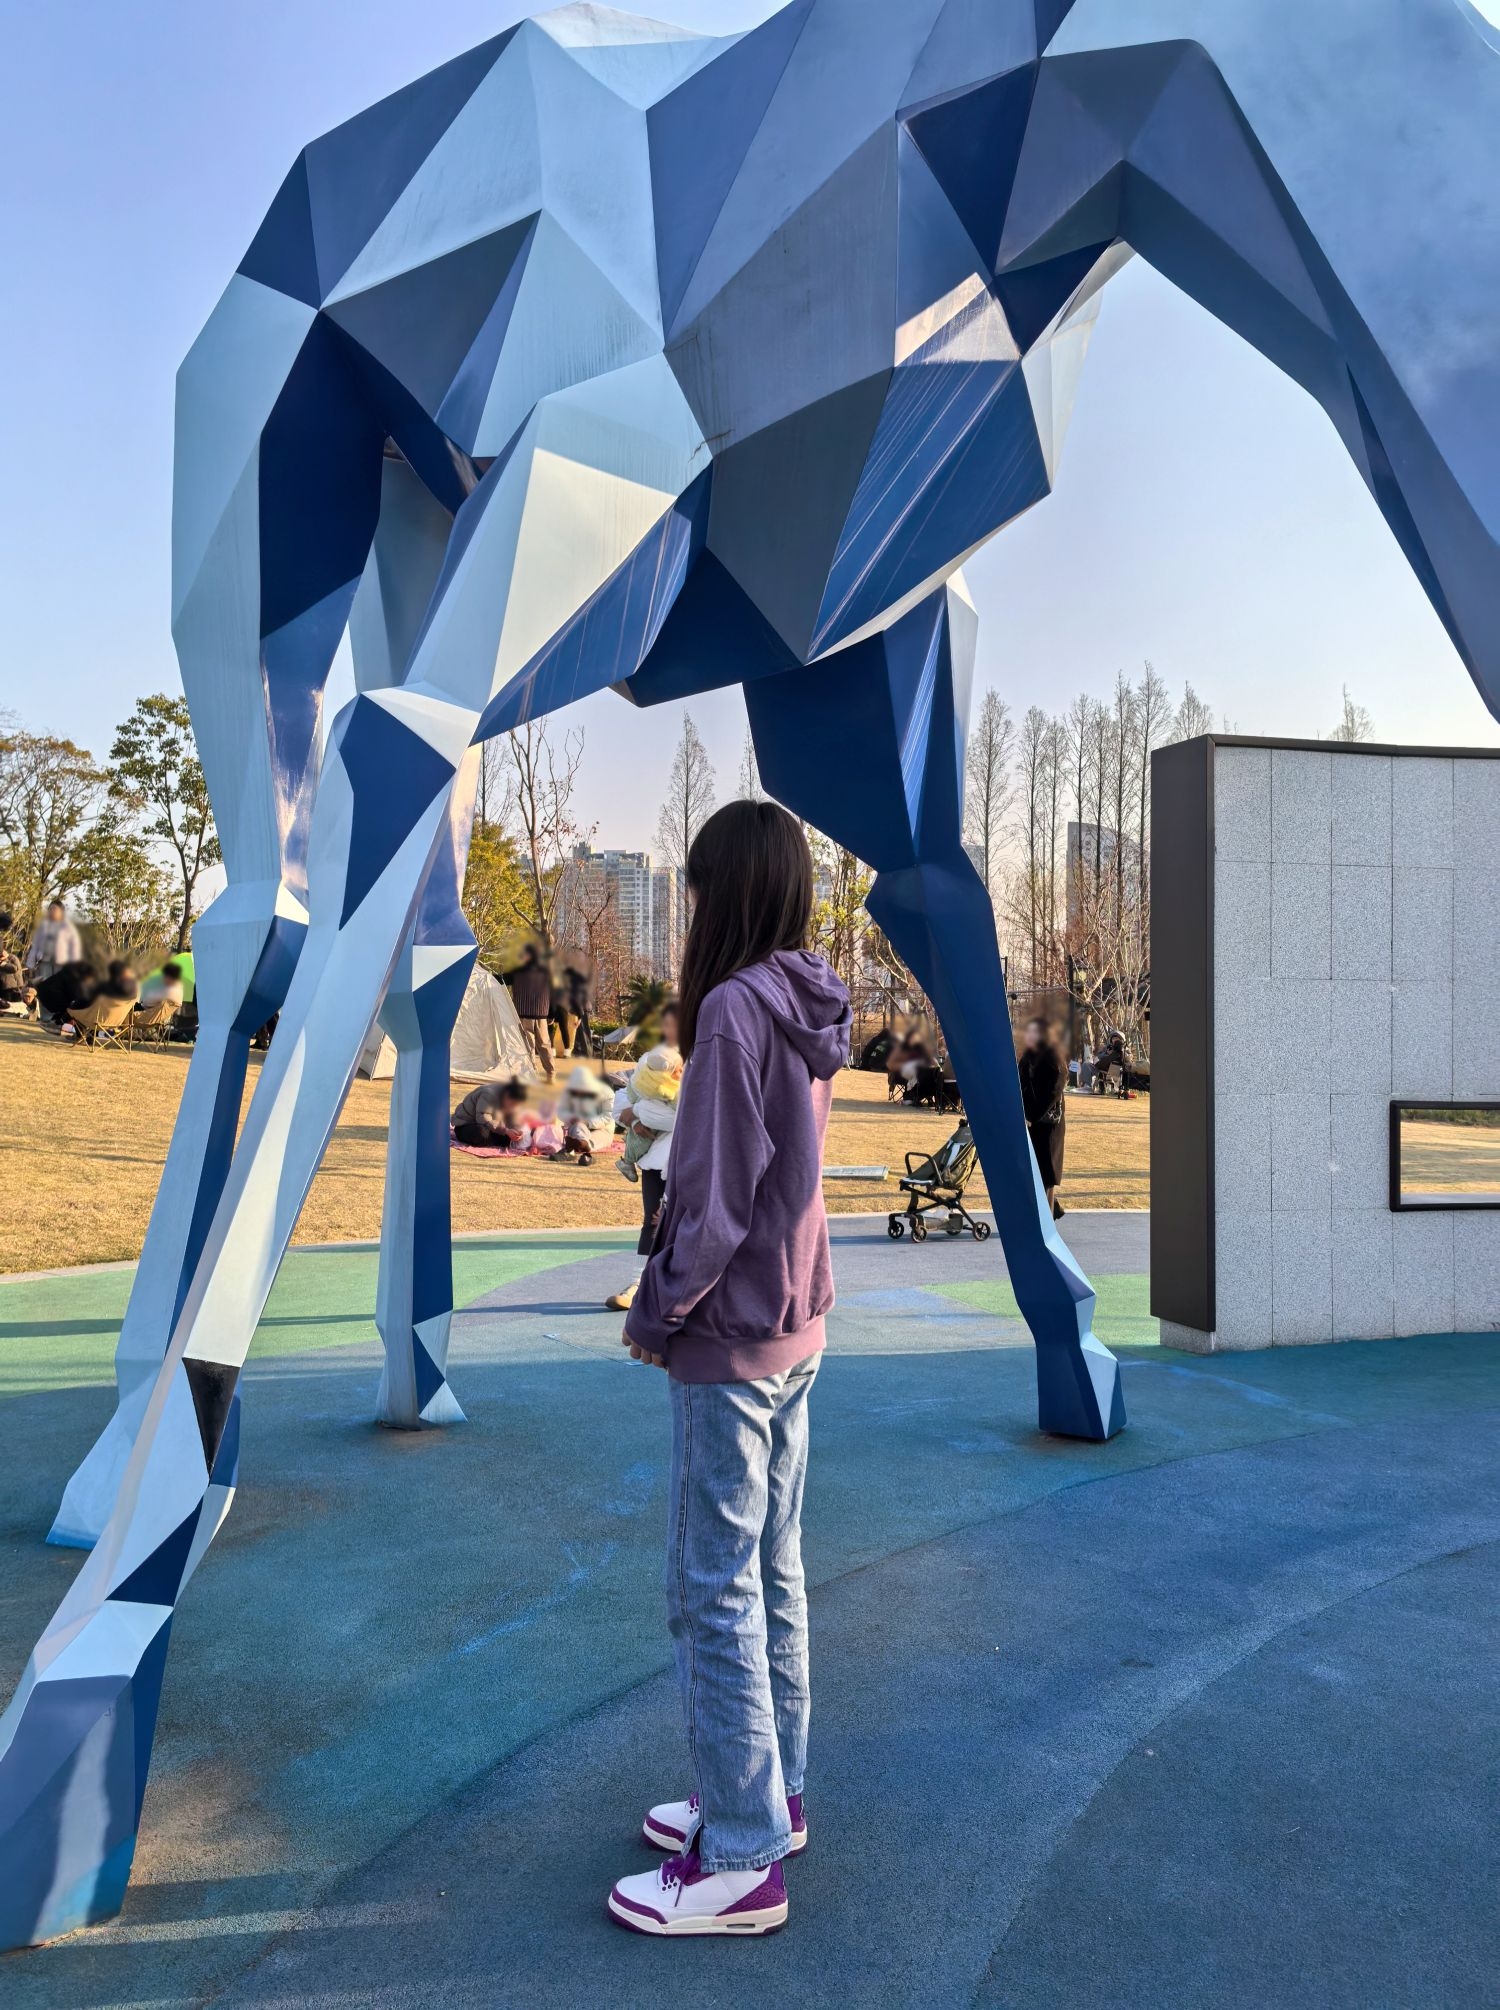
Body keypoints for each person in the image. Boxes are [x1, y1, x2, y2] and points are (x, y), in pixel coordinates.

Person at [607, 800, 850, 1940]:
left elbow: (710, 1203)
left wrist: (657, 1312)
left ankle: (743, 1856)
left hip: (735, 1332)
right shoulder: (806, 1001)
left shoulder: (734, 1011)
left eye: (698, 889)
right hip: (797, 1322)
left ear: (727, 894)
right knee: (772, 1572)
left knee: (711, 1585)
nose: (691, 908)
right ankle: (769, 1800)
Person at [605, 1003, 681, 1313]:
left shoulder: (706, 1062)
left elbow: (690, 1115)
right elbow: (621, 1101)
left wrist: (639, 1112)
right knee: (652, 1219)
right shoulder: (649, 1061)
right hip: (655, 1158)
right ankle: (639, 1285)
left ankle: (684, 1290)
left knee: (689, 1222)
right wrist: (635, 1119)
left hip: (693, 1159)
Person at [1018, 1015, 1067, 1219]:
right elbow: (1020, 1083)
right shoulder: (1028, 1056)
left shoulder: (1053, 1056)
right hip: (1032, 1121)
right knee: (1034, 1168)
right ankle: (1051, 1210)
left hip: (1047, 1123)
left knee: (1045, 1169)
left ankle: (1046, 1217)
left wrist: (1033, 1114)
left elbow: (1054, 1089)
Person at [616, 1041, 683, 1183]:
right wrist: (634, 1120)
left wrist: (637, 1111)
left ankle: (627, 1161)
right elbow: (621, 1106)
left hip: (682, 1161)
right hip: (652, 1160)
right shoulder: (649, 1064)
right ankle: (627, 1161)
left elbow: (687, 1120)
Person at [505, 942, 556, 1081]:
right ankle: (551, 1074)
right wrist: (552, 1013)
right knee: (544, 1045)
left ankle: (531, 1073)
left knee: (528, 1046)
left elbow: (501, 979)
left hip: (524, 1014)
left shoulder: (517, 971)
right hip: (541, 1014)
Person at [550, 1062, 615, 1166]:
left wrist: (587, 1122)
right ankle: (579, 1145)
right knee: (578, 1127)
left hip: (603, 1129)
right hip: (579, 1127)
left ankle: (579, 1147)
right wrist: (571, 1118)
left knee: (596, 1138)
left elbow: (607, 1117)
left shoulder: (608, 1094)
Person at [451, 1076, 529, 1150]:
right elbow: (482, 1118)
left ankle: (502, 1140)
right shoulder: (489, 1094)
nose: (514, 1107)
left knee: (510, 1133)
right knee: (482, 1133)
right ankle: (503, 1140)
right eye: (513, 1103)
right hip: (466, 1126)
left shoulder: (509, 1098)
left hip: (489, 1126)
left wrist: (516, 1130)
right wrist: (506, 1131)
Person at [25, 901, 83, 987]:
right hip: (44, 962)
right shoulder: (42, 927)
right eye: (50, 909)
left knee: (59, 986)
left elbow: (74, 948)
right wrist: (30, 965)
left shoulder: (68, 928)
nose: (52, 911)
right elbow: (35, 947)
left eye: (55, 909)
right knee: (44, 985)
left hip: (61, 963)